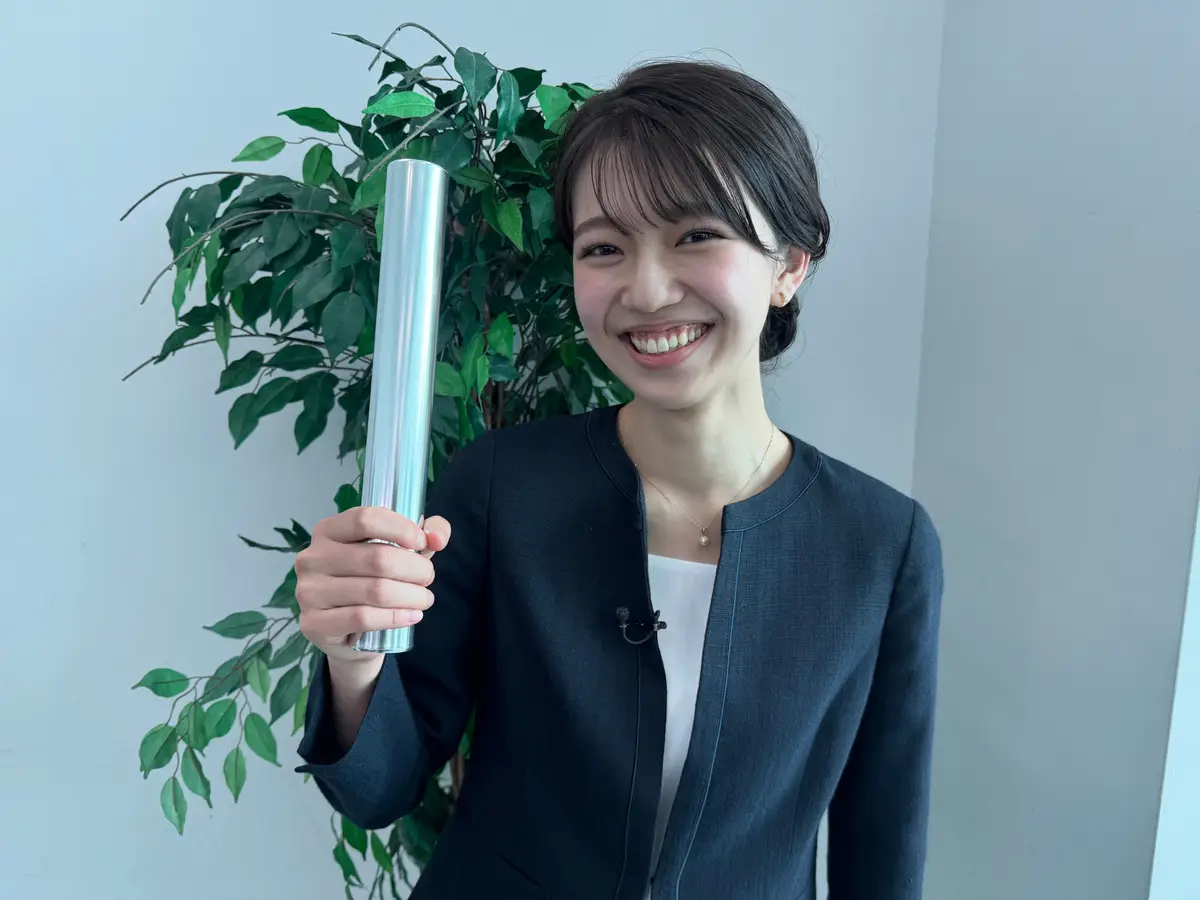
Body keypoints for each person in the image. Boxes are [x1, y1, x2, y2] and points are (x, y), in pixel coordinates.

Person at [294, 58, 943, 900]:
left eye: (696, 235)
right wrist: (353, 661)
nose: (646, 288)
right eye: (604, 247)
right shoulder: (501, 486)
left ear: (789, 263)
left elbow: (882, 851)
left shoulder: (882, 545)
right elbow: (379, 789)